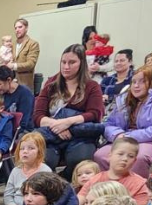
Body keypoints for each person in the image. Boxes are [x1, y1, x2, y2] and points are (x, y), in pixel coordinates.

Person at [95, 64, 152, 177]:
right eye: (133, 82)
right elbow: (108, 123)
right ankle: (111, 187)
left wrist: (129, 136)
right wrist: (117, 134)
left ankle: (137, 189)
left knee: (138, 157)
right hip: (126, 138)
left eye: (142, 82)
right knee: (100, 155)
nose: (136, 86)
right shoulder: (124, 99)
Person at [33, 45, 104, 175]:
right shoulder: (51, 84)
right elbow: (38, 116)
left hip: (79, 135)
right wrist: (58, 125)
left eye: (72, 62)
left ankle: (64, 185)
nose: (66, 66)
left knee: (80, 161)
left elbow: (94, 114)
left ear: (82, 63)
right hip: (52, 133)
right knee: (43, 160)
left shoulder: (92, 86)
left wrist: (68, 122)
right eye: (63, 62)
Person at [76, 136, 149, 205]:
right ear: (110, 155)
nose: (125, 159)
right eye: (120, 154)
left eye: (130, 156)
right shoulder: (95, 179)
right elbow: (80, 199)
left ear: (134, 161)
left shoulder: (139, 183)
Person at [3, 131, 46, 205]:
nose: (25, 151)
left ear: (39, 152)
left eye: (31, 148)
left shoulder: (45, 171)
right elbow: (8, 194)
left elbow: (46, 197)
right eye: (22, 148)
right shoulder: (15, 171)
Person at [10, 19, 40, 89]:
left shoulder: (33, 44)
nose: (17, 30)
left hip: (25, 85)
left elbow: (30, 64)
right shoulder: (12, 45)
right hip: (11, 85)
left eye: (20, 27)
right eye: (15, 28)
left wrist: (13, 66)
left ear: (26, 28)